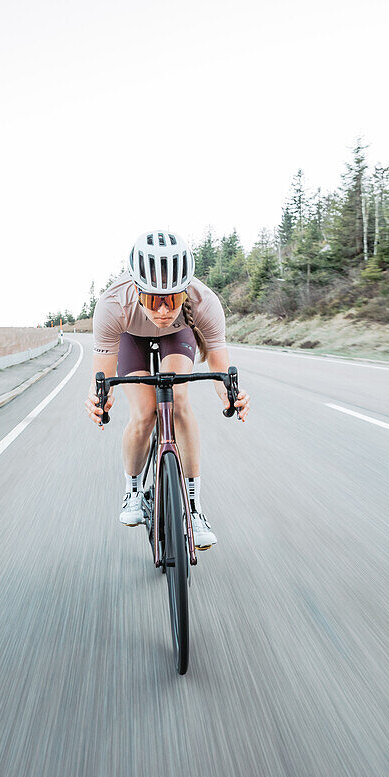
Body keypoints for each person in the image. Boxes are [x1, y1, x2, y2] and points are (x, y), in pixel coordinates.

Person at [85, 229, 250, 549]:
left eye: (173, 299)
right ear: (136, 290)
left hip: (178, 336)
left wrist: (232, 396)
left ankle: (193, 509)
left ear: (185, 292)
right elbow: (102, 386)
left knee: (179, 401)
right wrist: (99, 402)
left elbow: (220, 372)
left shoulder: (205, 302)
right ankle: (132, 490)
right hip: (130, 338)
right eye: (152, 300)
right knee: (144, 413)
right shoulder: (112, 304)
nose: (163, 311)